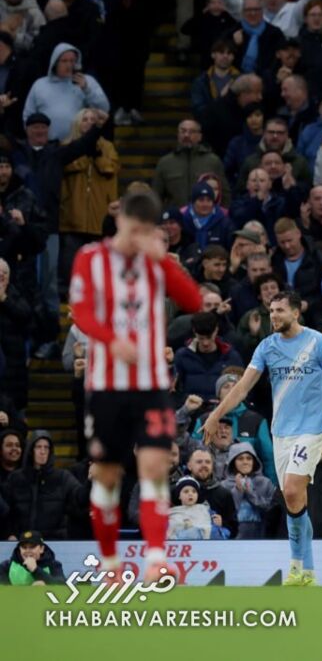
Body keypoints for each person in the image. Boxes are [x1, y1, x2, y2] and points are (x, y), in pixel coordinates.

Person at [68, 191, 203, 580]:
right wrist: (111, 341)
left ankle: (156, 560)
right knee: (108, 476)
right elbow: (81, 312)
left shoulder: (155, 263)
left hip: (152, 386)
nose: (138, 239)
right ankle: (111, 564)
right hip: (106, 388)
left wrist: (165, 261)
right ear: (120, 223)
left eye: (146, 232)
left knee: (155, 467)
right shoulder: (91, 258)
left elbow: (194, 302)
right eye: (134, 231)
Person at [203, 290, 322, 586]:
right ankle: (306, 571)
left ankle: (296, 565)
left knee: (291, 489)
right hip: (281, 432)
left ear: (295, 313)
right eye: (271, 311)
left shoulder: (318, 342)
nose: (273, 316)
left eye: (279, 311)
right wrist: (215, 414)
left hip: (311, 430)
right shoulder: (267, 346)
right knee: (293, 498)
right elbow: (242, 388)